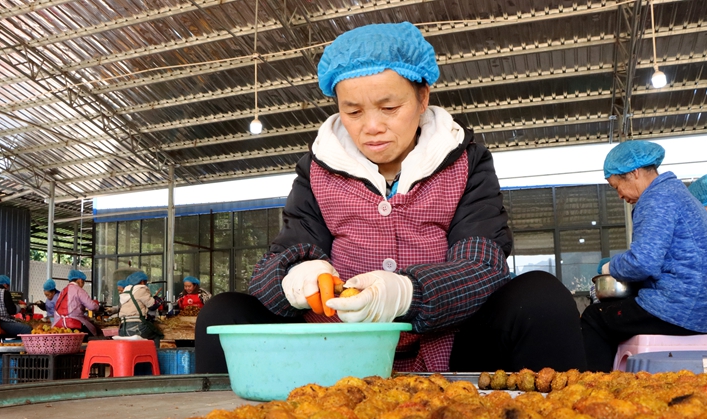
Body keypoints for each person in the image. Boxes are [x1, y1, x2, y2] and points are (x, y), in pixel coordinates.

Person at [195, 22, 587, 374]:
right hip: (334, 351)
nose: (371, 127)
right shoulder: (317, 169)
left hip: (451, 348)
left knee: (542, 299)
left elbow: (483, 266)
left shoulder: (465, 161)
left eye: (390, 107)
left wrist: (408, 293)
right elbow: (279, 260)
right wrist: (295, 277)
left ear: (422, 97)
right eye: (352, 111)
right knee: (224, 312)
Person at [581, 141, 707, 372]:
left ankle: (596, 390)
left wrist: (609, 267)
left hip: (681, 308)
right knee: (618, 312)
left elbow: (643, 263)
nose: (620, 195)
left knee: (595, 317)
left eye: (616, 187)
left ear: (634, 173)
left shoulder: (655, 198)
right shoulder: (677, 193)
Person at [119, 271, 164, 347]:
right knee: (158, 335)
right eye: (146, 282)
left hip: (123, 328)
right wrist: (159, 300)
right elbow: (152, 305)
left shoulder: (126, 292)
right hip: (137, 326)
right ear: (142, 281)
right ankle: (154, 357)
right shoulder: (141, 289)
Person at [53, 270, 100, 336]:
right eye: (83, 282)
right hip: (74, 323)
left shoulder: (63, 291)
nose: (83, 285)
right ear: (80, 281)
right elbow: (91, 306)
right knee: (98, 333)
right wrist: (97, 306)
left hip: (58, 324)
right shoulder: (78, 290)